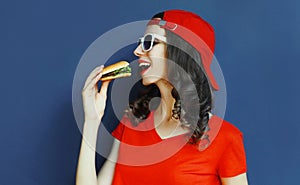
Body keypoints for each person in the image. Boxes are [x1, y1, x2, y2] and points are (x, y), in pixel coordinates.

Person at [76, 9, 248, 185]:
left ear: (181, 52)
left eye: (149, 43)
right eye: (141, 43)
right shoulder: (132, 122)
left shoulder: (226, 139)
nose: (137, 51)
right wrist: (91, 121)